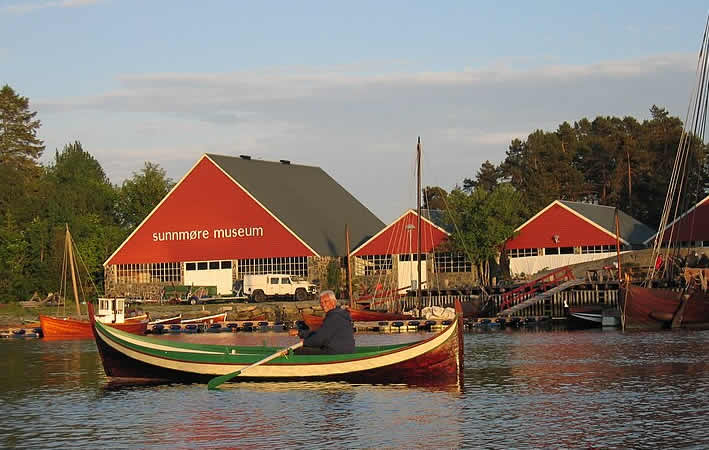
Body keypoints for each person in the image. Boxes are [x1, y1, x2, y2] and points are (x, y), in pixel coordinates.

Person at [290, 290, 355, 354]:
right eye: (321, 302)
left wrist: (305, 343)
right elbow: (320, 333)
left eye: (325, 301)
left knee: (298, 351)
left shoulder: (334, 317)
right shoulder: (339, 314)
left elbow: (319, 339)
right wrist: (300, 333)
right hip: (347, 350)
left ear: (333, 302)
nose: (323, 305)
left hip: (335, 352)